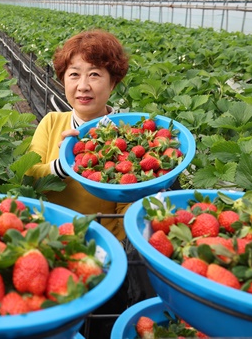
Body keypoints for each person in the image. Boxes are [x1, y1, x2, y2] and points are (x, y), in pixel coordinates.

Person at [25, 29, 155, 338]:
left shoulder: (126, 135)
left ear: (113, 82)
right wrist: (63, 164)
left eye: (95, 75)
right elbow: (29, 177)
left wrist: (105, 253)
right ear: (63, 79)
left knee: (97, 324)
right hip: (51, 243)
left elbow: (127, 208)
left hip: (102, 253)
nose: (83, 86)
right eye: (74, 74)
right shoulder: (51, 123)